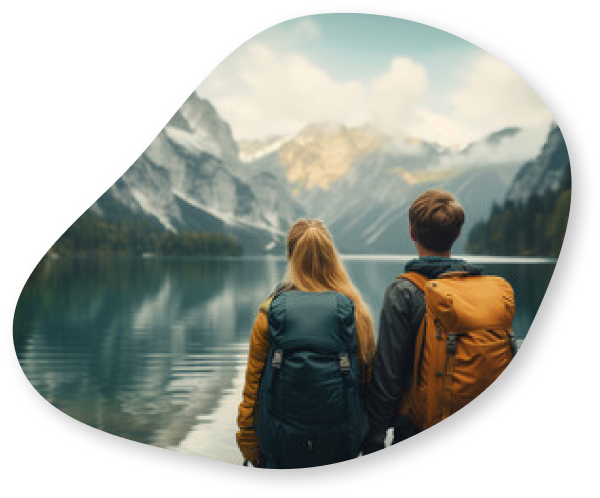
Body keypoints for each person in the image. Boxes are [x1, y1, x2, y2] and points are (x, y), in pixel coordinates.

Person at [236, 218, 376, 468]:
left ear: (290, 254)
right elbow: (366, 386)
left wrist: (248, 442)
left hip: (279, 448)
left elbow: (253, 388)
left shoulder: (270, 312)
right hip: (340, 444)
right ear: (331, 254)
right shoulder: (356, 313)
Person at [363, 188, 489, 454]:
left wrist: (375, 432)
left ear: (411, 234)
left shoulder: (404, 292)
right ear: (457, 234)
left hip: (416, 425)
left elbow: (389, 375)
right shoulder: (484, 288)